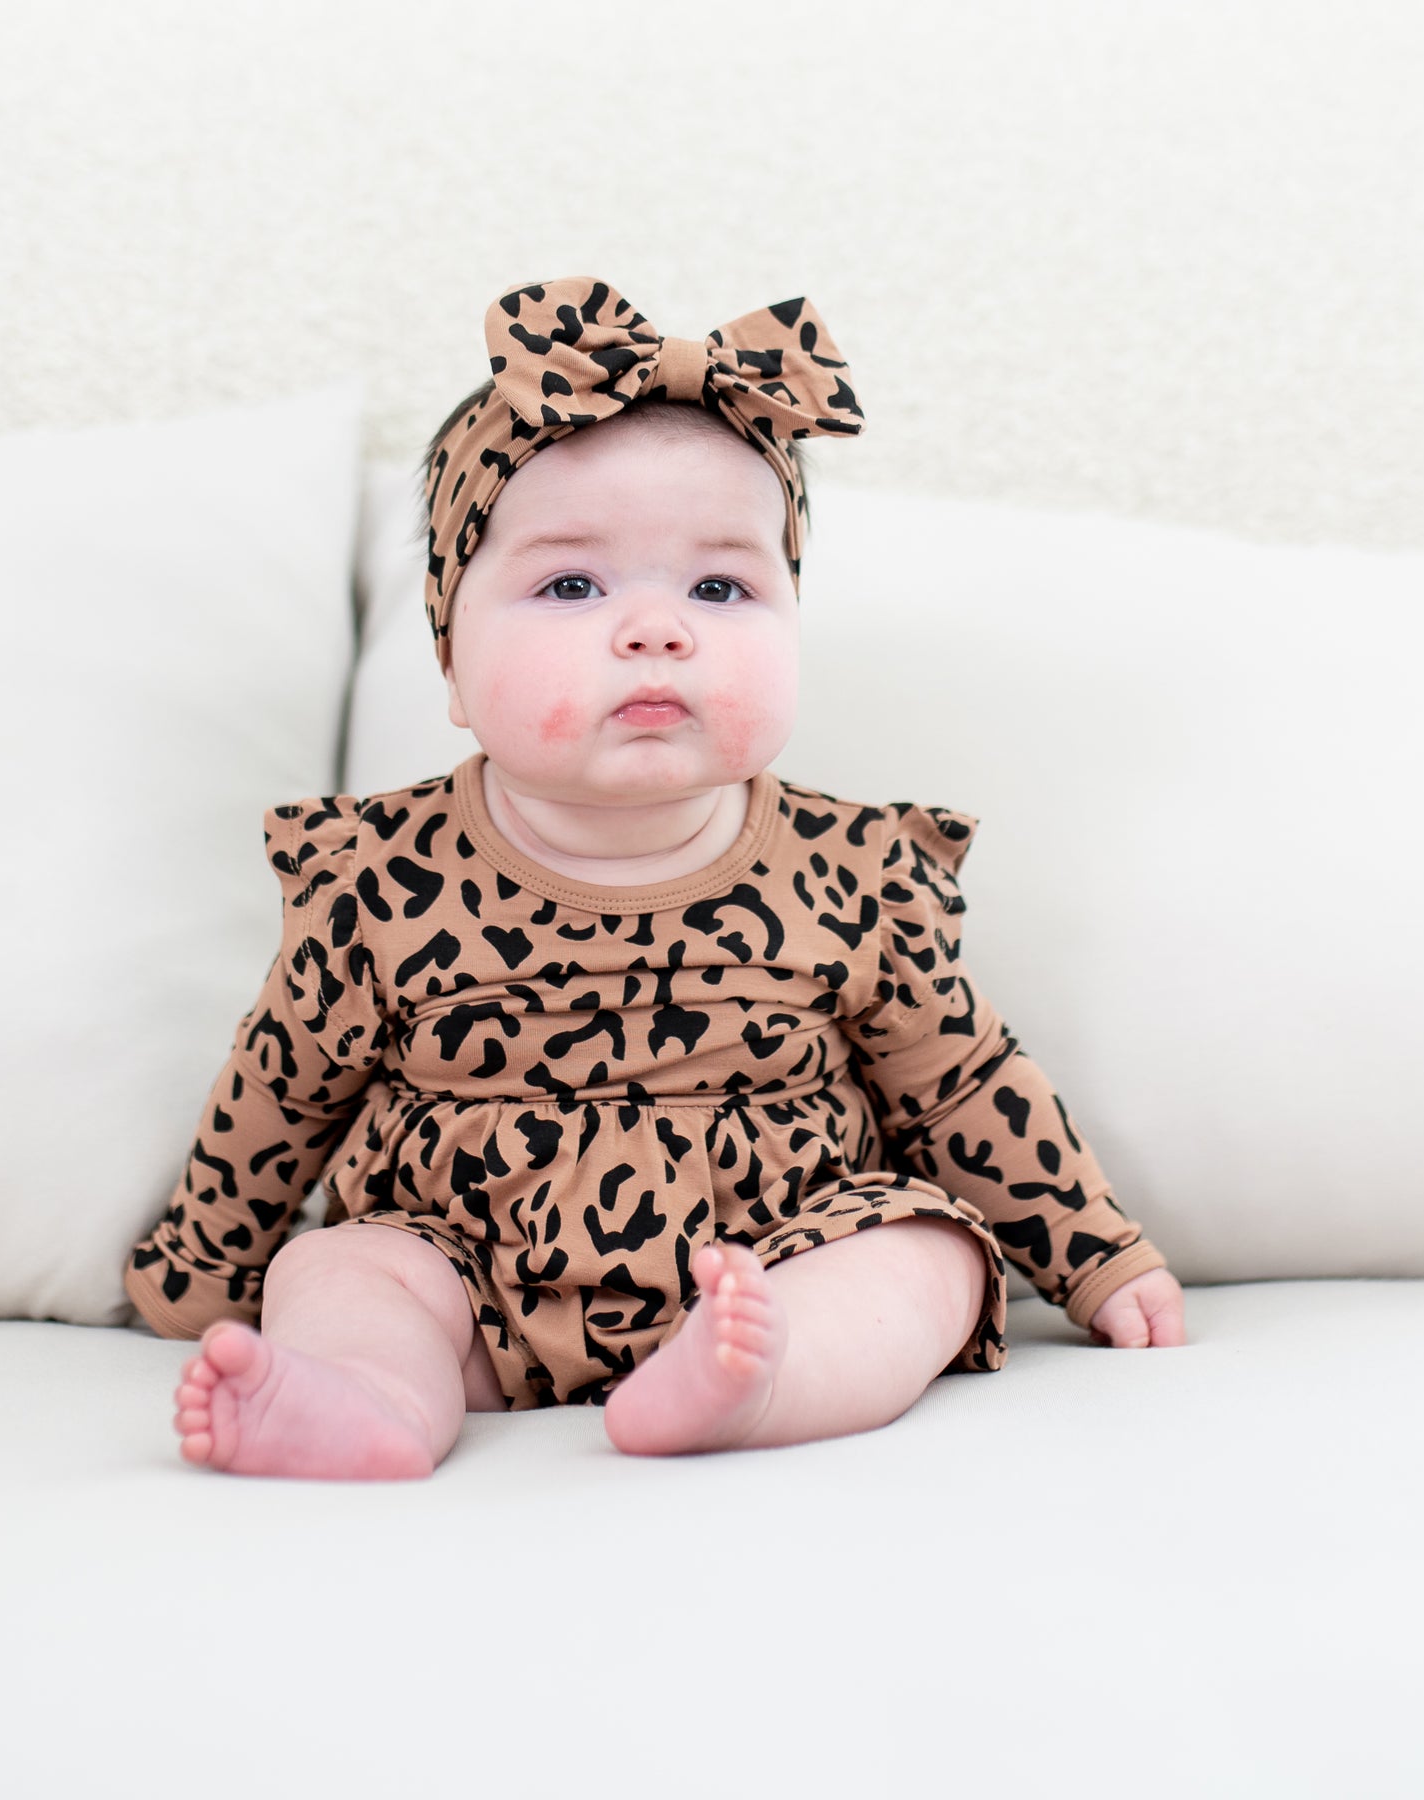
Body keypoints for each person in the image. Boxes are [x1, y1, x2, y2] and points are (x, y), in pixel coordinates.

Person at [124, 275, 1188, 1480]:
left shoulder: (855, 875)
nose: (655, 629)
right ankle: (372, 1397)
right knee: (341, 1267)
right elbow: (283, 1083)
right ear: (452, 661)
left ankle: (761, 1381)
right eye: (572, 585)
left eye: (720, 587)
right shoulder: (380, 879)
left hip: (775, 1253)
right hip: (471, 1273)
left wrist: (1098, 1253)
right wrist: (203, 1266)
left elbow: (962, 1089)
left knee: (927, 1251)